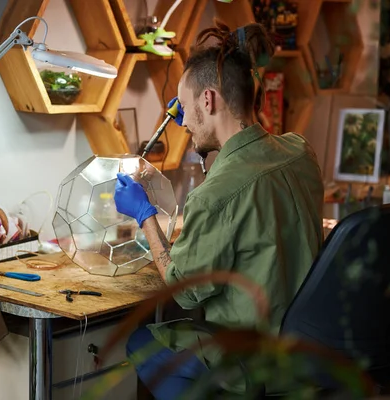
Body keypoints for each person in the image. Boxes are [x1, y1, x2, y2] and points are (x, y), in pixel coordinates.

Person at [113, 20, 324, 399]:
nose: (185, 119)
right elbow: (243, 161)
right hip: (308, 351)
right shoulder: (300, 152)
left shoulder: (215, 197)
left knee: (142, 341)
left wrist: (144, 215)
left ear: (208, 100)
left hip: (256, 358)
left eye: (189, 106)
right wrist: (203, 132)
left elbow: (183, 291)